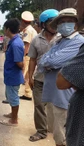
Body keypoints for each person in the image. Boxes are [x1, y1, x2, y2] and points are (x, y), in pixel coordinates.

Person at [38, 8, 84, 146]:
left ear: (76, 24)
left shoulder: (78, 42)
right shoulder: (59, 41)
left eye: (69, 21)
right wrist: (50, 62)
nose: (66, 24)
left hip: (65, 97)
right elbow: (42, 62)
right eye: (62, 22)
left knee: (63, 137)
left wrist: (50, 63)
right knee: (57, 134)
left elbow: (51, 61)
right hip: (54, 95)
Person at [56, 0, 84, 146]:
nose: (76, 3)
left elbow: (62, 80)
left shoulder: (79, 41)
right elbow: (47, 61)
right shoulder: (58, 40)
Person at [27, 9, 59, 142]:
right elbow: (33, 60)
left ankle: (57, 130)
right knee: (39, 105)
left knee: (58, 107)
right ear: (44, 24)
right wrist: (30, 77)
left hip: (58, 80)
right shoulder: (36, 40)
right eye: (52, 22)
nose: (55, 25)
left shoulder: (62, 38)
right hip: (40, 79)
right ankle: (41, 131)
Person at [0, 18, 24, 127]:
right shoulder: (14, 41)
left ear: (8, 29)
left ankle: (14, 120)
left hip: (13, 76)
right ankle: (12, 114)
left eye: (5, 28)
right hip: (11, 75)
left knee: (13, 97)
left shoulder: (16, 44)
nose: (4, 31)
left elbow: (19, 62)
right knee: (10, 96)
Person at [19, 11, 38, 101]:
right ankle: (28, 93)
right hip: (32, 55)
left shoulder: (28, 31)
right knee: (28, 75)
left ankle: (25, 93)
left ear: (23, 21)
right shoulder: (32, 30)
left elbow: (26, 45)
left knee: (24, 74)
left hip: (28, 55)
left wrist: (22, 56)